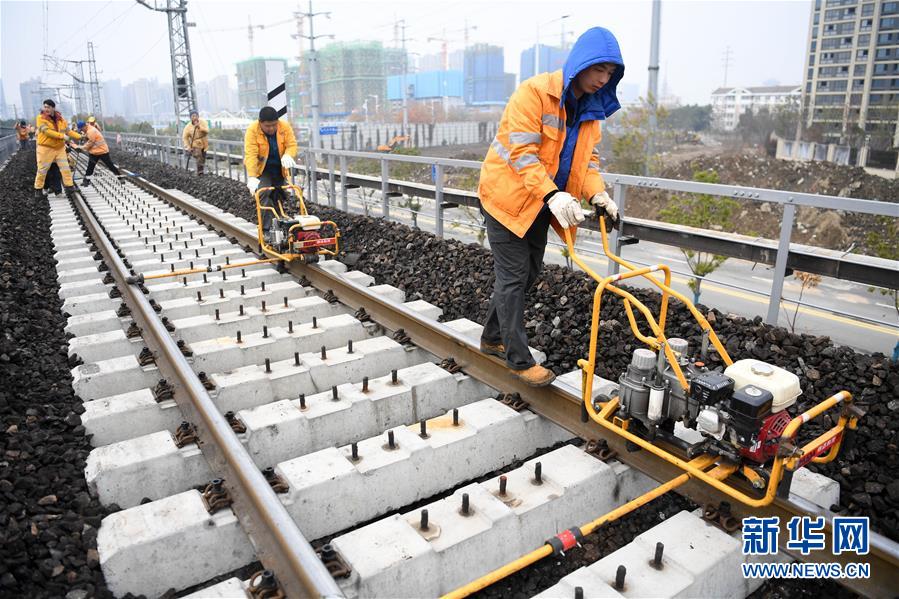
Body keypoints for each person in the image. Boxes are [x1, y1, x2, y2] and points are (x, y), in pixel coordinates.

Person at [477, 27, 624, 387]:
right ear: (581, 63)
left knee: (528, 274)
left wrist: (598, 195)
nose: (602, 79)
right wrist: (553, 194)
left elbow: (586, 163)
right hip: (507, 197)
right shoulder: (534, 94)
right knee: (513, 277)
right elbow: (522, 154)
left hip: (540, 205)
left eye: (609, 73)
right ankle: (517, 359)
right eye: (598, 69)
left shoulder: (590, 111)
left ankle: (492, 337)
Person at [243, 106, 297, 236]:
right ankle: (267, 230)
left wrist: (288, 155)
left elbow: (291, 145)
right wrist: (252, 176)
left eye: (274, 125)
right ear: (260, 122)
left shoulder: (284, 127)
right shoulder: (252, 130)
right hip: (263, 169)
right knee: (264, 192)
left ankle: (279, 226)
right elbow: (251, 154)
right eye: (267, 126)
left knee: (280, 194)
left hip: (280, 167)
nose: (271, 128)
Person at [33, 99, 82, 199]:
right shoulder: (40, 118)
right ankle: (38, 190)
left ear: (53, 108)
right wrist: (62, 136)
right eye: (45, 107)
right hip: (46, 148)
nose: (46, 109)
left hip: (59, 148)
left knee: (65, 168)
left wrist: (80, 137)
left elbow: (68, 131)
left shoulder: (61, 119)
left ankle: (69, 187)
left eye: (48, 107)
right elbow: (47, 132)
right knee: (42, 170)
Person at [78, 120, 121, 186]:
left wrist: (81, 148)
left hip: (102, 151)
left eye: (81, 129)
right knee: (90, 167)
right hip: (94, 152)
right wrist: (84, 137)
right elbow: (88, 138)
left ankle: (120, 178)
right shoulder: (88, 129)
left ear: (84, 126)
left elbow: (90, 142)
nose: (82, 130)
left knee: (110, 165)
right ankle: (86, 181)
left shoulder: (91, 131)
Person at [182, 110, 209, 175]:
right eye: (193, 116)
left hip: (204, 142)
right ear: (190, 118)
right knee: (198, 156)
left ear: (198, 116)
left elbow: (206, 131)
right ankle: (200, 172)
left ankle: (201, 171)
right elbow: (185, 138)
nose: (194, 118)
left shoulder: (203, 122)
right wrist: (188, 147)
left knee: (203, 158)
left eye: (196, 116)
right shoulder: (188, 127)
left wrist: (199, 127)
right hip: (195, 143)